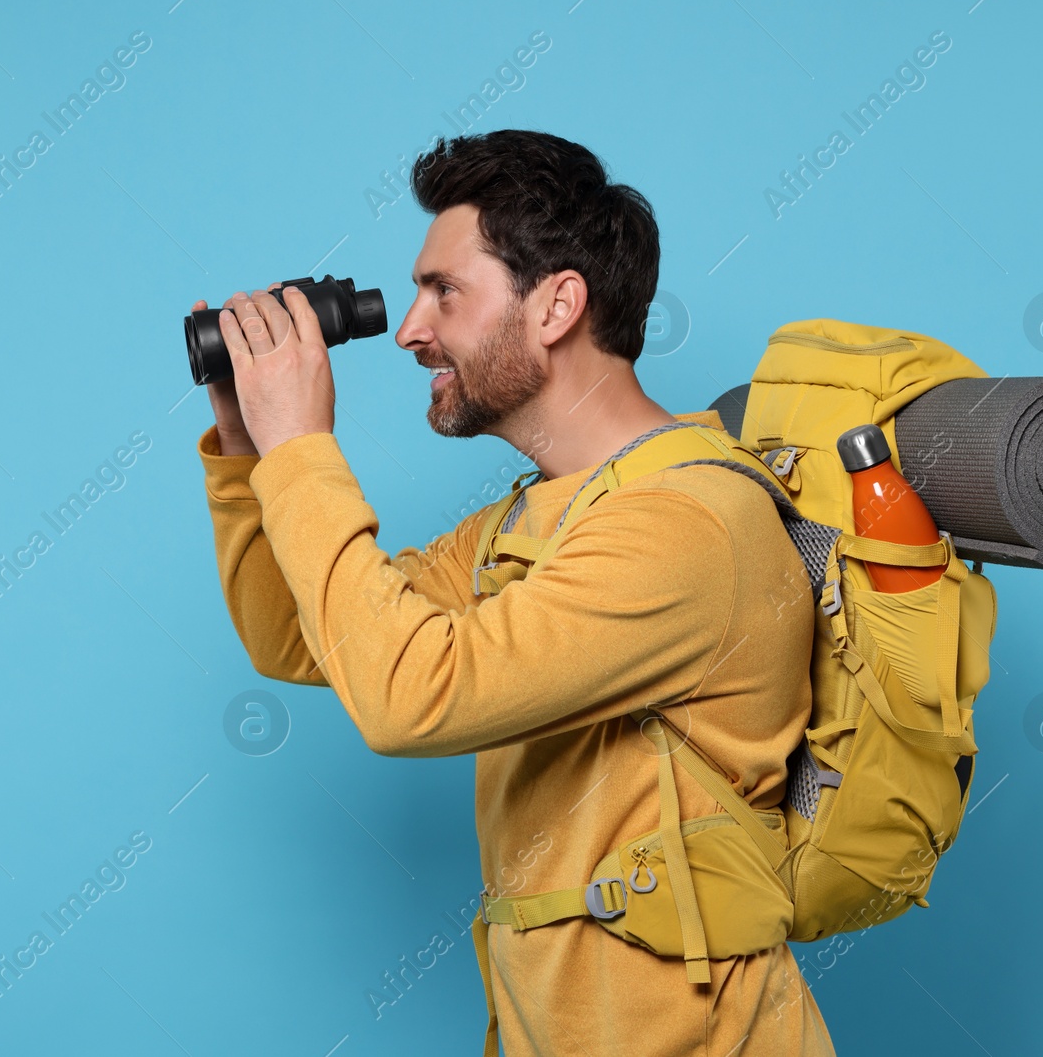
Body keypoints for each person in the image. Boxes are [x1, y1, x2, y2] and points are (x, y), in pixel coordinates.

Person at [195, 129, 836, 1056]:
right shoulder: (527, 522)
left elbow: (411, 699)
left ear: (557, 305)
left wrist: (303, 446)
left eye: (444, 291)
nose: (412, 328)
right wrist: (249, 452)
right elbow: (304, 636)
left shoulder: (683, 523)